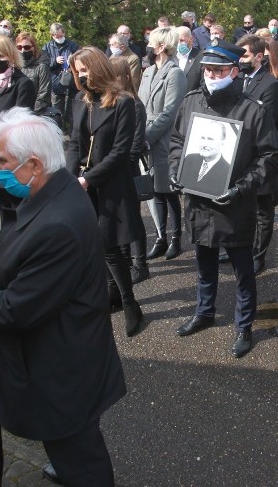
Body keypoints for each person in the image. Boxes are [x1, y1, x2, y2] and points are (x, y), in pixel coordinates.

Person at [0, 107, 126, 487]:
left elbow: (18, 309)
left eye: (2, 160)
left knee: (81, 458)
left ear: (33, 164)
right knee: (72, 446)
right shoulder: (58, 187)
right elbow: (26, 264)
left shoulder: (58, 224)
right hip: (69, 355)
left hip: (62, 369)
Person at [169, 39, 278, 358]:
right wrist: (177, 170)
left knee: (243, 270)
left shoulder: (252, 110)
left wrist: (241, 188)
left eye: (217, 70)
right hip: (199, 201)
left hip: (235, 203)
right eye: (206, 70)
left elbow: (270, 157)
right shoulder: (191, 102)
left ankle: (244, 326)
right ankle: (204, 312)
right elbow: (177, 141)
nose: (210, 75)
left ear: (234, 71)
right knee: (204, 263)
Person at [66, 47, 147, 337]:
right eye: (78, 70)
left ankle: (130, 304)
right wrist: (69, 175)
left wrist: (88, 179)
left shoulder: (123, 102)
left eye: (86, 69)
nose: (82, 75)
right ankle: (112, 295)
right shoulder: (79, 100)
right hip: (83, 183)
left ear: (98, 68)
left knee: (111, 247)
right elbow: (75, 142)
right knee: (98, 246)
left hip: (111, 183)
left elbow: (121, 152)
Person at [0, 36, 38, 242]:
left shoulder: (23, 83)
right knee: (0, 198)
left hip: (12, 152)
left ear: (11, 56)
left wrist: (0, 144)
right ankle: (6, 237)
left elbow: (19, 119)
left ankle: (23, 239)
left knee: (17, 198)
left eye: (0, 55)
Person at [139, 27, 187, 261]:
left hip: (164, 139)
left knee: (168, 191)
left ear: (161, 46)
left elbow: (170, 112)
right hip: (146, 136)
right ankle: (161, 237)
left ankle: (176, 238)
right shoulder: (148, 71)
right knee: (153, 190)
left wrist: (146, 136)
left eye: (151, 43)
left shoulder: (175, 73)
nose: (147, 47)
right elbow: (140, 104)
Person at [237, 34, 278, 274]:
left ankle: (258, 255)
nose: (240, 60)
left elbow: (265, 119)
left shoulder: (270, 84)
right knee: (243, 207)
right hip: (239, 155)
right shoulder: (237, 80)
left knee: (264, 210)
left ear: (258, 56)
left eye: (244, 55)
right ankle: (240, 248)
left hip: (261, 154)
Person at [109, 56, 151, 284]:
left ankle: (140, 264)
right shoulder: (112, 102)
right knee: (119, 219)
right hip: (115, 170)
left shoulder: (135, 104)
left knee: (132, 219)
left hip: (128, 170)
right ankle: (125, 260)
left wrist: (119, 163)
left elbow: (135, 144)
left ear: (124, 77)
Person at [44, 23, 80, 130]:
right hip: (56, 84)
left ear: (64, 33)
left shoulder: (72, 45)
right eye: (57, 37)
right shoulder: (47, 47)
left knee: (72, 111)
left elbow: (81, 59)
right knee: (57, 111)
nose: (59, 38)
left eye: (61, 35)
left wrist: (72, 64)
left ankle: (72, 133)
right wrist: (55, 61)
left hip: (71, 83)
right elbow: (44, 64)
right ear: (52, 35)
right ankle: (58, 132)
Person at [15, 32, 53, 117]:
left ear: (33, 48)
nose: (23, 50)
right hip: (15, 115)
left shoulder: (42, 68)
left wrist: (30, 115)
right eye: (19, 47)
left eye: (27, 47)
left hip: (36, 115)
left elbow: (44, 95)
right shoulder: (13, 67)